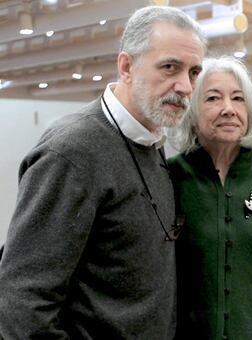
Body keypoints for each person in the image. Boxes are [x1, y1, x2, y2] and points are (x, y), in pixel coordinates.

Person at [0, 6, 207, 339]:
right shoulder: (72, 152)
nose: (184, 85)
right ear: (126, 66)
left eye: (194, 72)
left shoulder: (151, 140)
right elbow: (22, 300)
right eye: (170, 67)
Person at [168, 56, 252, 339]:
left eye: (238, 99)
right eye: (213, 98)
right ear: (191, 111)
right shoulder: (169, 177)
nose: (228, 109)